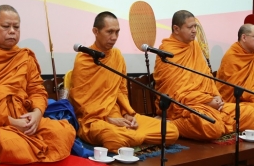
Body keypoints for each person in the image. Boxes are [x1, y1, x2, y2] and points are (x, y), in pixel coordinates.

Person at [0, 5, 75, 164]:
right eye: (6, 26)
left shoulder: (24, 57)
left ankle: (31, 155)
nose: (12, 31)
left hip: (26, 122)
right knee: (11, 145)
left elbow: (37, 91)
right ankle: (34, 155)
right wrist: (12, 123)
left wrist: (36, 114)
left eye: (16, 27)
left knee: (63, 132)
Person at [70, 11, 179, 150]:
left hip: (119, 116)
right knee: (112, 137)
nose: (114, 37)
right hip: (96, 121)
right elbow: (80, 101)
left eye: (117, 32)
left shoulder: (117, 56)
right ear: (95, 31)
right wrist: (110, 120)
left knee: (171, 131)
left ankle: (130, 137)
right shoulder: (83, 60)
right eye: (109, 32)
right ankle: (133, 137)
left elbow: (121, 90)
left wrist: (127, 115)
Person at [153, 10, 254, 141]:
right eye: (190, 27)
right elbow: (175, 95)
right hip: (182, 109)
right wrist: (207, 102)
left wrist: (216, 96)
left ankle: (220, 126)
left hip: (207, 105)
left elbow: (206, 76)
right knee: (210, 126)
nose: (194, 31)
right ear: (176, 29)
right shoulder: (166, 52)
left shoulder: (194, 46)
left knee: (250, 115)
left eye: (195, 27)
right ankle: (170, 124)